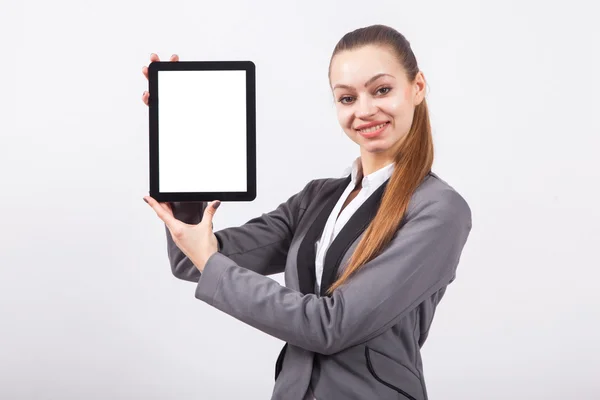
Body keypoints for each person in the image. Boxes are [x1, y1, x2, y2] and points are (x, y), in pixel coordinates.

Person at [142, 24, 472, 400]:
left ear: (417, 87)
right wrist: (182, 135)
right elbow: (194, 261)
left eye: (382, 90)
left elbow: (331, 326)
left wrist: (206, 257)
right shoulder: (318, 197)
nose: (364, 110)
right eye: (347, 98)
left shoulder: (439, 209)